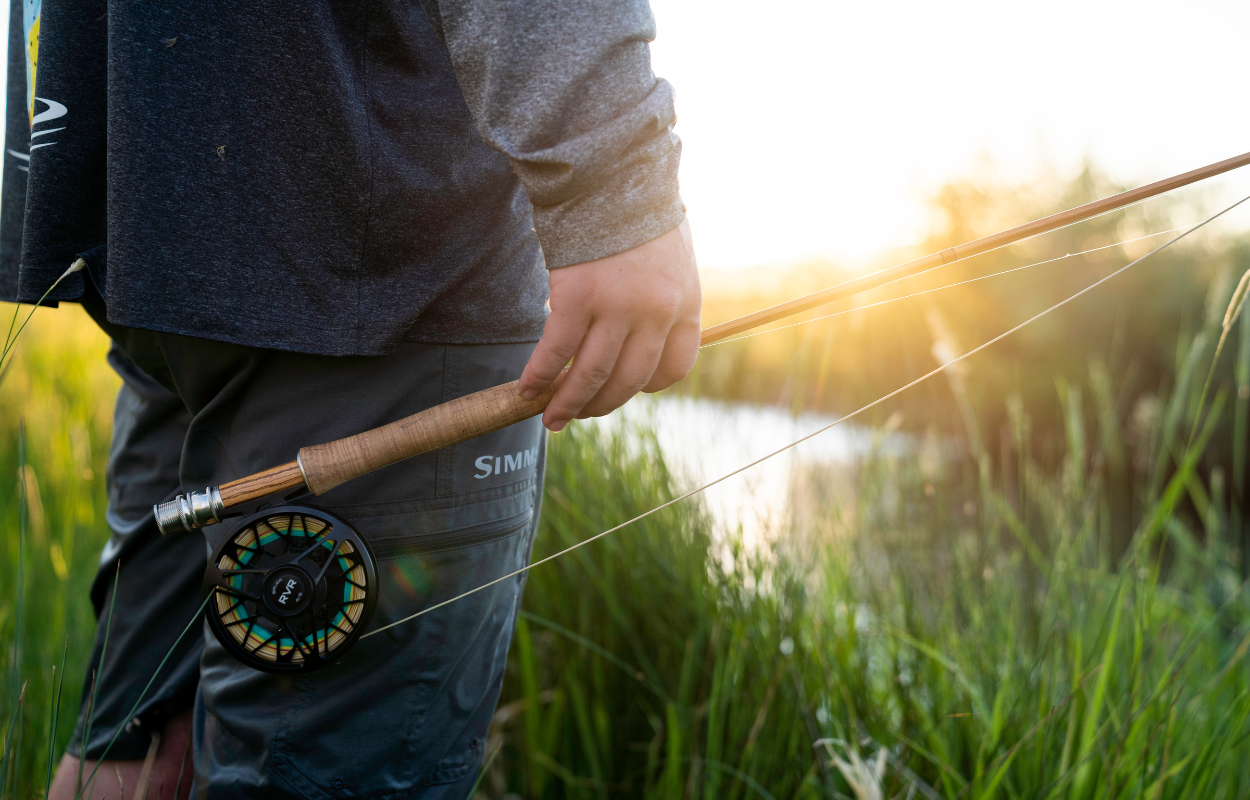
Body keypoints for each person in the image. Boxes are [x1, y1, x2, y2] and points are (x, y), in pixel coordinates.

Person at [1, 0, 701, 796]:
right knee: (143, 757)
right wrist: (613, 179)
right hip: (377, 289)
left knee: (129, 756)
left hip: (149, 251)